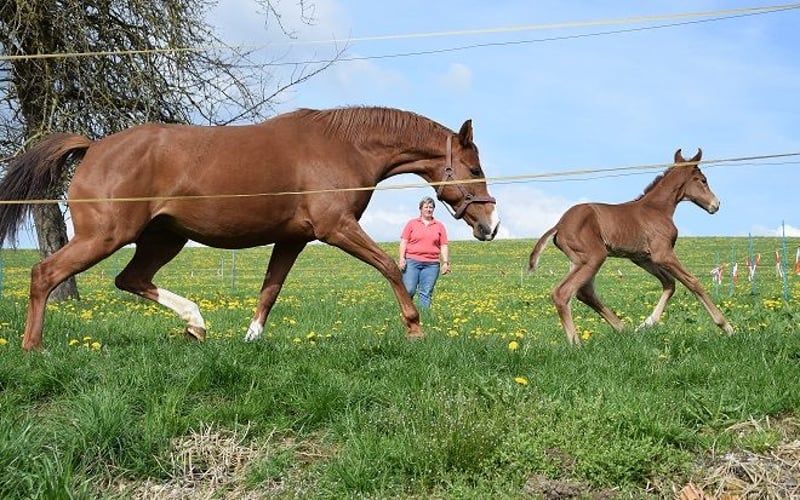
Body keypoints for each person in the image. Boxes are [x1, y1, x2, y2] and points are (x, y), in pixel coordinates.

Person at [398, 196, 450, 308]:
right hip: (412, 261)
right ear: (421, 209)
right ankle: (407, 313)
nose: (428, 209)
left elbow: (444, 245)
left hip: (432, 264)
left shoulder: (439, 226)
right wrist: (402, 258)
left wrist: (445, 262)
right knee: (409, 290)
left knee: (426, 292)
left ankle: (423, 319)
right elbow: (404, 241)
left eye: (431, 207)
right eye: (426, 207)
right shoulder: (412, 223)